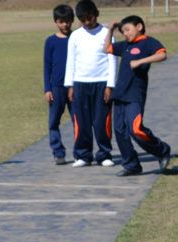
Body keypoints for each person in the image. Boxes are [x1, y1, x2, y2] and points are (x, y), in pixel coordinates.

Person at [103, 15, 171, 177]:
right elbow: (107, 49)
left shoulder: (148, 42)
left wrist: (141, 61)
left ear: (139, 26)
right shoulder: (125, 45)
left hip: (135, 94)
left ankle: (162, 150)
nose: (125, 34)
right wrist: (110, 30)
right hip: (119, 94)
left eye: (127, 29)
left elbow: (162, 54)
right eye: (123, 31)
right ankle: (132, 165)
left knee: (136, 129)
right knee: (120, 131)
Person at [64, 0, 115, 167]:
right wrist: (70, 85)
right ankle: (83, 155)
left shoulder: (107, 33)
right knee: (82, 121)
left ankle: (104, 154)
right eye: (83, 19)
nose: (87, 22)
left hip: (101, 83)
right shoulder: (75, 36)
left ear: (96, 14)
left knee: (101, 121)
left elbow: (112, 60)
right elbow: (71, 61)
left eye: (90, 18)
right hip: (80, 84)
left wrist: (110, 85)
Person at [44, 5, 74, 165]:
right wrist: (47, 89)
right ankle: (58, 152)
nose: (65, 25)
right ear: (56, 22)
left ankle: (81, 152)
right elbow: (46, 66)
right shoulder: (50, 41)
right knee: (54, 121)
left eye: (68, 21)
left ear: (72, 21)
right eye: (61, 22)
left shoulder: (77, 38)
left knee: (79, 120)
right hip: (56, 87)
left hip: (75, 87)